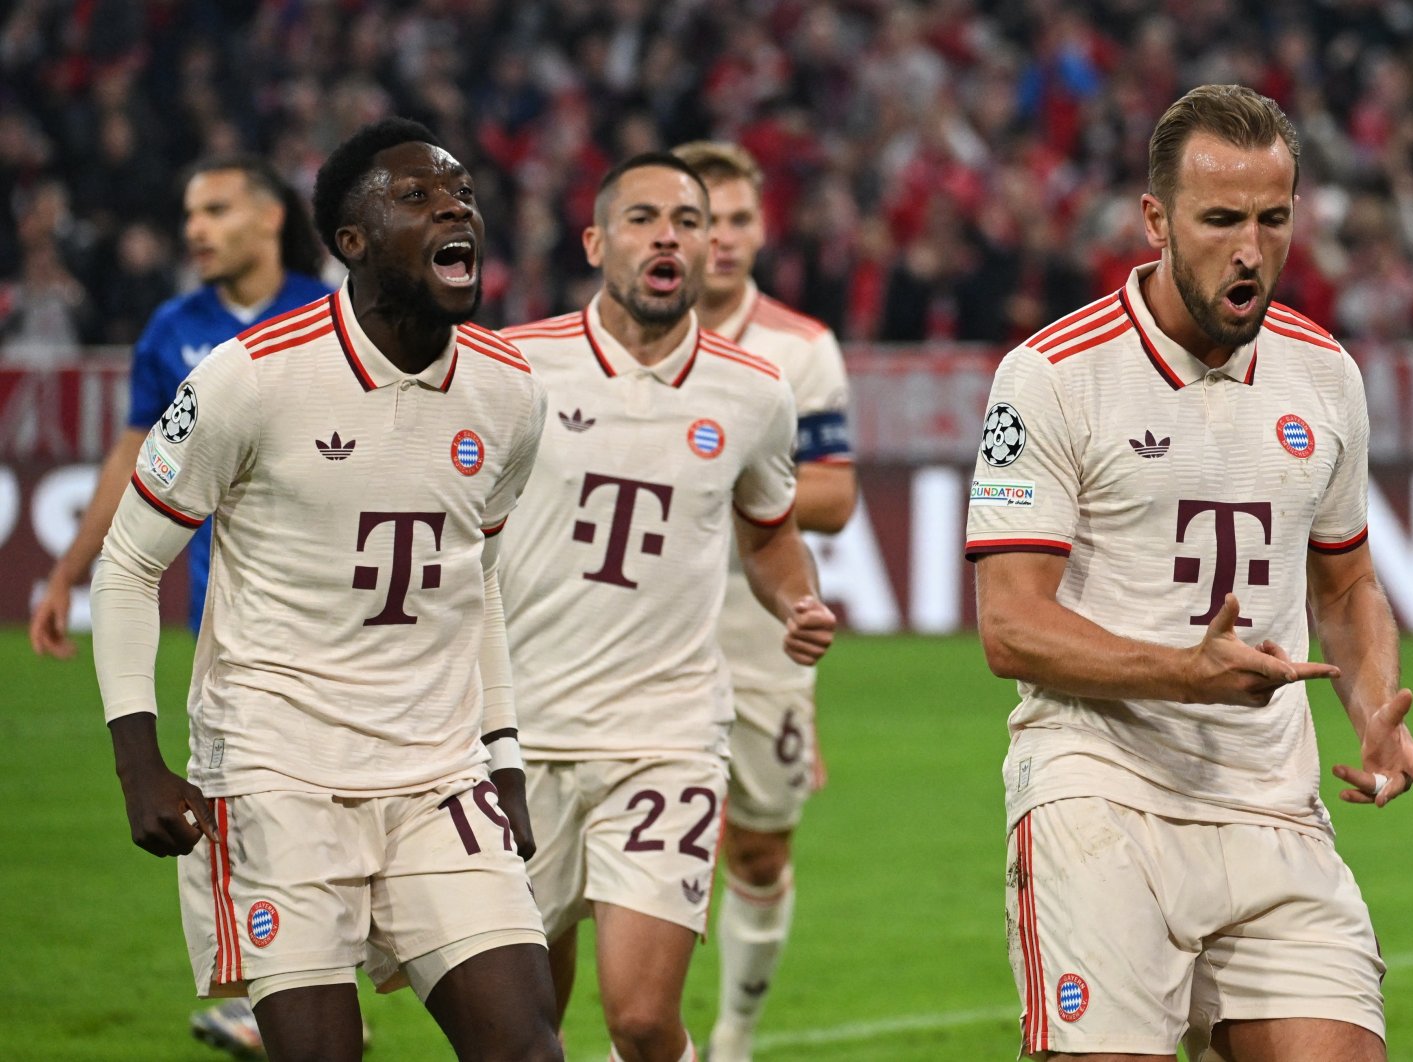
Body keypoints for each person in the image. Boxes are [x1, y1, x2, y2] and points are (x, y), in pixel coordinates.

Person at [966, 84, 1413, 1062]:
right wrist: (1185, 670)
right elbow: (1011, 627)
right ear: (1155, 219)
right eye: (1220, 219)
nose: (1249, 250)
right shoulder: (1052, 375)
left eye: (1272, 220)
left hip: (1272, 809)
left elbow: (1344, 584)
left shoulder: (1324, 374)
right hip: (1098, 795)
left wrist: (1377, 706)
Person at [88, 117, 563, 1062]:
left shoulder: (511, 394)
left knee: (527, 1048)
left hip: (439, 776)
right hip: (277, 774)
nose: (453, 204)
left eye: (460, 190)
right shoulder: (250, 378)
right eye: (417, 196)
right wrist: (136, 760)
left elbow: (481, 584)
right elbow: (129, 564)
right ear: (351, 242)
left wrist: (503, 750)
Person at [498, 153, 836, 1062]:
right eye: (644, 218)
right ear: (597, 241)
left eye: (687, 222)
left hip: (667, 736)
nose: (671, 236)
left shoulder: (756, 391)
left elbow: (769, 532)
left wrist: (796, 599)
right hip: (519, 735)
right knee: (524, 1026)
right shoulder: (513, 370)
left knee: (643, 1023)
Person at [670, 140, 855, 1062]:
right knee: (640, 855)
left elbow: (836, 493)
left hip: (762, 641)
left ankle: (734, 1037)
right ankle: (647, 1036)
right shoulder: (618, 347)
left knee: (758, 852)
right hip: (640, 644)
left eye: (741, 218)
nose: (726, 237)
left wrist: (702, 477)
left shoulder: (798, 348)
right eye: (707, 218)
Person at [29, 153, 332, 659]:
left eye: (216, 211)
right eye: (190, 215)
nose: (196, 230)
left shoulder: (331, 318)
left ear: (269, 216)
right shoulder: (171, 329)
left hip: (327, 608)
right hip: (221, 621)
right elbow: (132, 459)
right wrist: (66, 575)